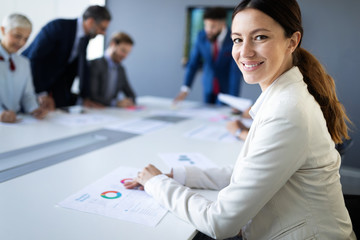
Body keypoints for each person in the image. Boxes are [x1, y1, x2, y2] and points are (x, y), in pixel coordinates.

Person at [125, 0, 357, 239]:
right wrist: (178, 175)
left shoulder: (288, 111)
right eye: (238, 39)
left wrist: (156, 184)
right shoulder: (282, 98)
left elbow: (219, 222)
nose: (244, 51)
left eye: (260, 37)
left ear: (292, 41)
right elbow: (248, 174)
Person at [22, 5, 111, 109]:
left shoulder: (85, 39)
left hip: (54, 88)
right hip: (29, 83)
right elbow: (35, 59)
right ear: (90, 21)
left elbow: (78, 68)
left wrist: (85, 98)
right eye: (102, 28)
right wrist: (41, 92)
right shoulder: (59, 27)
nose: (103, 33)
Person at [174, 7, 242, 105]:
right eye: (206, 25)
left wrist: (234, 100)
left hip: (227, 89)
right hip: (208, 85)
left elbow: (235, 72)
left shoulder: (234, 39)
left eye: (213, 26)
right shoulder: (201, 37)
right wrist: (185, 88)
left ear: (223, 24)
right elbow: (193, 64)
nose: (208, 30)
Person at [0, 14, 47, 123]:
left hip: (16, 121)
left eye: (26, 38)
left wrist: (34, 109)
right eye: (17, 36)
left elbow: (28, 95)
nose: (21, 43)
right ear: (3, 30)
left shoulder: (24, 62)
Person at [84, 32, 136, 108]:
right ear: (113, 44)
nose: (125, 56)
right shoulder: (95, 64)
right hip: (93, 110)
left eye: (128, 53)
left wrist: (129, 101)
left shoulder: (121, 69)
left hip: (109, 112)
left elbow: (131, 94)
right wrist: (115, 103)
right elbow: (93, 96)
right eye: (123, 51)